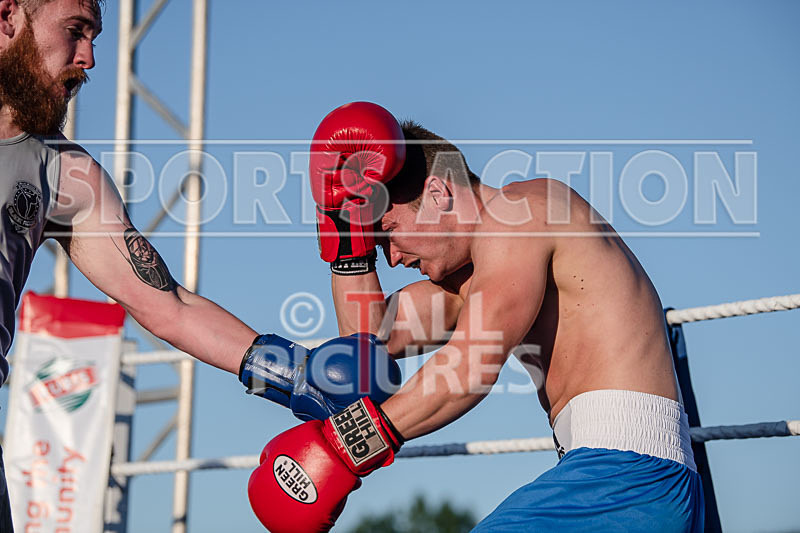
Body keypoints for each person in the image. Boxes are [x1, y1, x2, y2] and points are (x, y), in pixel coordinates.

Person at [0, 3, 397, 530]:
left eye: (94, 38)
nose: (88, 59)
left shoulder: (64, 173)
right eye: (75, 32)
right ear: (8, 17)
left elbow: (169, 305)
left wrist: (297, 375)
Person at [247, 102, 704, 532]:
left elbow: (469, 365)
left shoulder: (521, 212)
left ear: (440, 192)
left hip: (631, 474)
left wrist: (345, 446)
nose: (390, 258)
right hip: (602, 477)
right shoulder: (479, 282)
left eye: (387, 235)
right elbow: (365, 347)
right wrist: (347, 243)